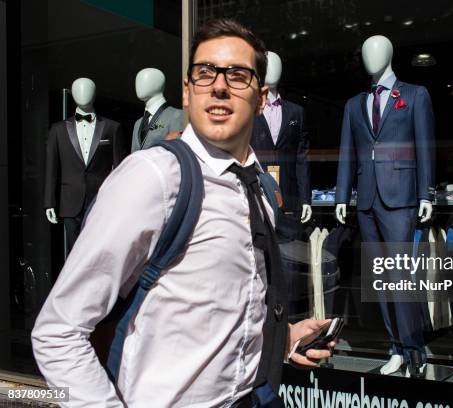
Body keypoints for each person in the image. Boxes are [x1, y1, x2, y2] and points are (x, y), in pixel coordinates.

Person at [31, 18, 333, 407]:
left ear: (261, 99)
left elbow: (221, 314)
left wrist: (282, 341)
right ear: (188, 93)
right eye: (205, 73)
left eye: (238, 75)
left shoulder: (259, 189)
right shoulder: (153, 177)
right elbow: (58, 332)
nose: (219, 85)